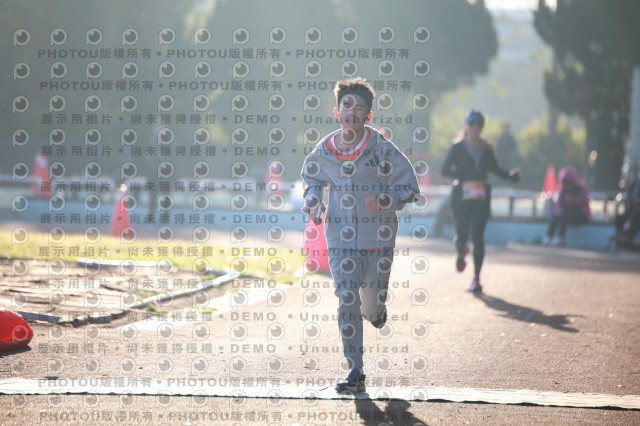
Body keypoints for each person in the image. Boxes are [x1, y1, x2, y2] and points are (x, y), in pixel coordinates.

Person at [300, 77, 420, 393]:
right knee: (346, 300)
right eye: (347, 105)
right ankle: (355, 370)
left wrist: (386, 200)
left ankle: (376, 311)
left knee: (370, 306)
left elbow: (409, 186)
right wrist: (313, 202)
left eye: (359, 107)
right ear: (337, 111)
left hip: (377, 238)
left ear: (368, 115)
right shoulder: (324, 150)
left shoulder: (381, 148)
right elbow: (312, 180)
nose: (352, 112)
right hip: (339, 237)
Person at [441, 109, 520, 293]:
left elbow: (494, 168)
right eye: (472, 123)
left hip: (481, 198)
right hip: (461, 199)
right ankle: (461, 251)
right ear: (466, 126)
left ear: (482, 126)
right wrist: (465, 175)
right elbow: (445, 170)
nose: (476, 127)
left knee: (477, 236)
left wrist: (510, 176)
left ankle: (476, 278)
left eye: (479, 124)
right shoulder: (457, 148)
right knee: (462, 236)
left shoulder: (486, 149)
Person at [542, 165, 591, 247]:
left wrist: (572, 199)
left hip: (582, 215)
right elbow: (559, 202)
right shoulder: (563, 189)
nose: (566, 184)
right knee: (556, 215)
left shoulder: (581, 187)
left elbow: (584, 200)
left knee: (565, 215)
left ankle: (560, 238)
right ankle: (548, 237)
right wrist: (559, 209)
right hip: (568, 214)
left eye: (567, 182)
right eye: (564, 182)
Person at [612, 169, 640, 250]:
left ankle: (630, 239)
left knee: (635, 218)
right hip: (632, 209)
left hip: (637, 211)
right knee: (619, 218)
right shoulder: (634, 184)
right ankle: (620, 241)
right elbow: (630, 197)